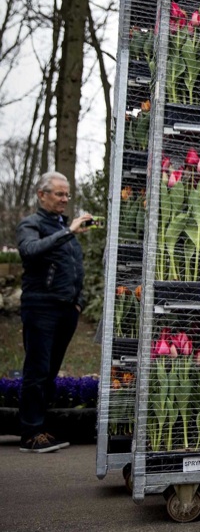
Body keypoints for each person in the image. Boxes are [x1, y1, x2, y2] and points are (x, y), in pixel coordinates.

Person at [16, 172, 93, 453]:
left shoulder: (64, 228)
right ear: (42, 195)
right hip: (41, 307)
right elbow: (29, 250)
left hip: (66, 308)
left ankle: (41, 428)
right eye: (59, 194)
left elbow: (74, 269)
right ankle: (30, 433)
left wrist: (78, 302)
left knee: (49, 372)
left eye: (67, 194)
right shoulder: (32, 224)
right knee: (36, 371)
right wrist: (68, 231)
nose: (64, 199)